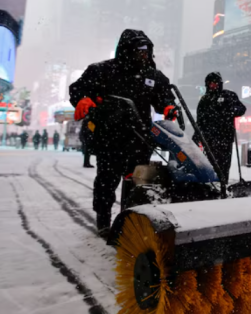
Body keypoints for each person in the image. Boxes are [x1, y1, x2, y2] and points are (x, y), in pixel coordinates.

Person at [70, 29, 182, 238]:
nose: (144, 55)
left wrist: (168, 106)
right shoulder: (102, 70)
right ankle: (103, 220)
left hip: (139, 139)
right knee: (107, 181)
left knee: (138, 183)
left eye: (147, 51)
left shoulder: (152, 76)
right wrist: (83, 99)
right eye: (140, 51)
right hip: (110, 138)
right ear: (126, 50)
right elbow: (78, 89)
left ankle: (132, 219)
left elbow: (164, 97)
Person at [194, 72, 246, 185]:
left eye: (215, 83)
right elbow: (200, 121)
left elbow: (241, 108)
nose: (213, 86)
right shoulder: (204, 100)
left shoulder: (228, 95)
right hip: (209, 138)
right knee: (211, 163)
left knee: (223, 164)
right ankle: (213, 184)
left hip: (225, 137)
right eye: (210, 83)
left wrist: (232, 111)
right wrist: (196, 136)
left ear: (219, 84)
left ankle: (222, 184)